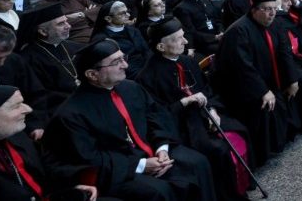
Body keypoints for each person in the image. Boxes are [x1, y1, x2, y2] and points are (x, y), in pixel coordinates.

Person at [43, 38, 216, 200]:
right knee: (159, 192)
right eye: (116, 62)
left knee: (198, 163)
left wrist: (161, 147)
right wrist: (140, 165)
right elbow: (89, 159)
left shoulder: (131, 88)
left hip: (154, 152)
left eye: (123, 58)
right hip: (120, 170)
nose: (125, 65)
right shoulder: (71, 114)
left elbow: (156, 117)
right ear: (92, 74)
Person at [137, 18, 252, 201]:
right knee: (218, 150)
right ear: (160, 47)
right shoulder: (148, 76)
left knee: (240, 128)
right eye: (178, 39)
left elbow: (207, 89)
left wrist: (213, 109)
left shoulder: (187, 61)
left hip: (203, 113)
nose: (185, 42)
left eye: (184, 37)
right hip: (181, 125)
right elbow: (157, 114)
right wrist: (183, 102)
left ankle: (241, 186)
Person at [213, 0, 298, 163]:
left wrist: (292, 79)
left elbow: (284, 53)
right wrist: (263, 91)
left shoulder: (274, 23)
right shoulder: (239, 31)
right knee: (263, 107)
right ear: (254, 10)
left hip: (265, 79)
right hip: (241, 86)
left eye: (274, 8)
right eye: (267, 9)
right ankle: (261, 154)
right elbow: (243, 68)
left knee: (288, 96)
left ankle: (279, 141)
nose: (272, 13)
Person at [0, 85, 100, 201]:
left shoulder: (16, 137)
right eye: (16, 106)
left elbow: (45, 168)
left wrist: (71, 188)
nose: (28, 109)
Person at [17, 4, 83, 115]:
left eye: (66, 21)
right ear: (43, 32)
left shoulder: (76, 47)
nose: (68, 26)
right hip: (61, 109)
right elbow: (40, 95)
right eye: (61, 24)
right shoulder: (28, 58)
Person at [90, 1, 151, 80]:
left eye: (127, 12)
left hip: (145, 67)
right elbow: (112, 66)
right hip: (126, 73)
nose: (128, 15)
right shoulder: (102, 39)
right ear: (108, 18)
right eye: (122, 13)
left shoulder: (133, 30)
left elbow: (146, 51)